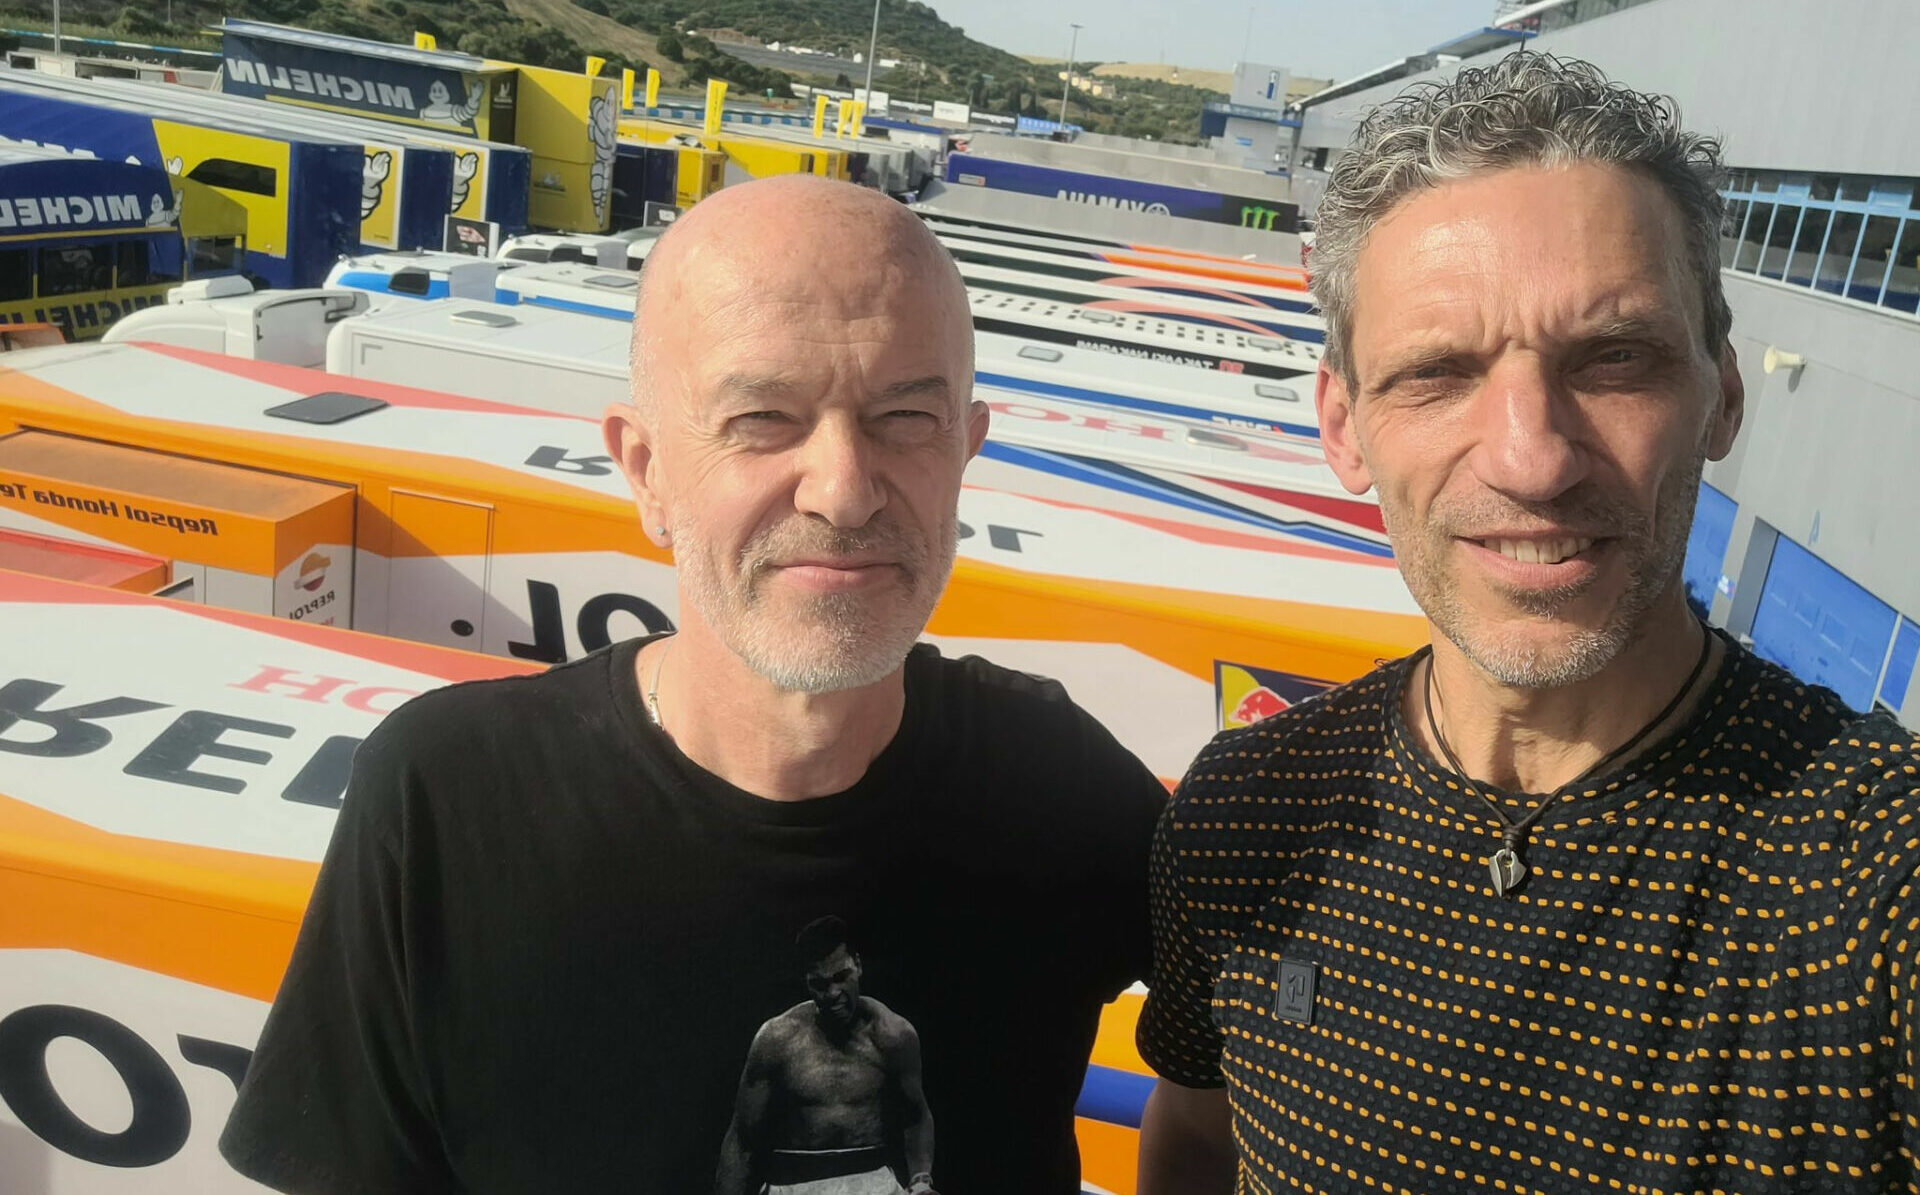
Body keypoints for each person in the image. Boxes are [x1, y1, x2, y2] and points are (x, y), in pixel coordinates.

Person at [219, 175, 1166, 1193]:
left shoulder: (1064, 792)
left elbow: (1246, 1058)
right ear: (647, 470)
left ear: (965, 453)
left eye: (904, 417)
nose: (844, 491)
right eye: (763, 418)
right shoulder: (447, 800)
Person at [1135, 52, 1920, 1193]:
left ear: (1725, 397)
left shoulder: (1869, 880)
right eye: (1439, 372)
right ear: (1344, 427)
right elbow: (1203, 1141)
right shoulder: (1247, 815)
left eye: (1613, 357)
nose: (1532, 457)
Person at [717, 917, 935, 1195]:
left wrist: (920, 1180)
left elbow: (916, 1116)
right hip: (794, 1186)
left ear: (858, 964)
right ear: (806, 981)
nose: (832, 993)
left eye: (841, 978)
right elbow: (741, 1140)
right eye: (819, 984)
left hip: (874, 1186)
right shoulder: (776, 1040)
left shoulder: (893, 1036)